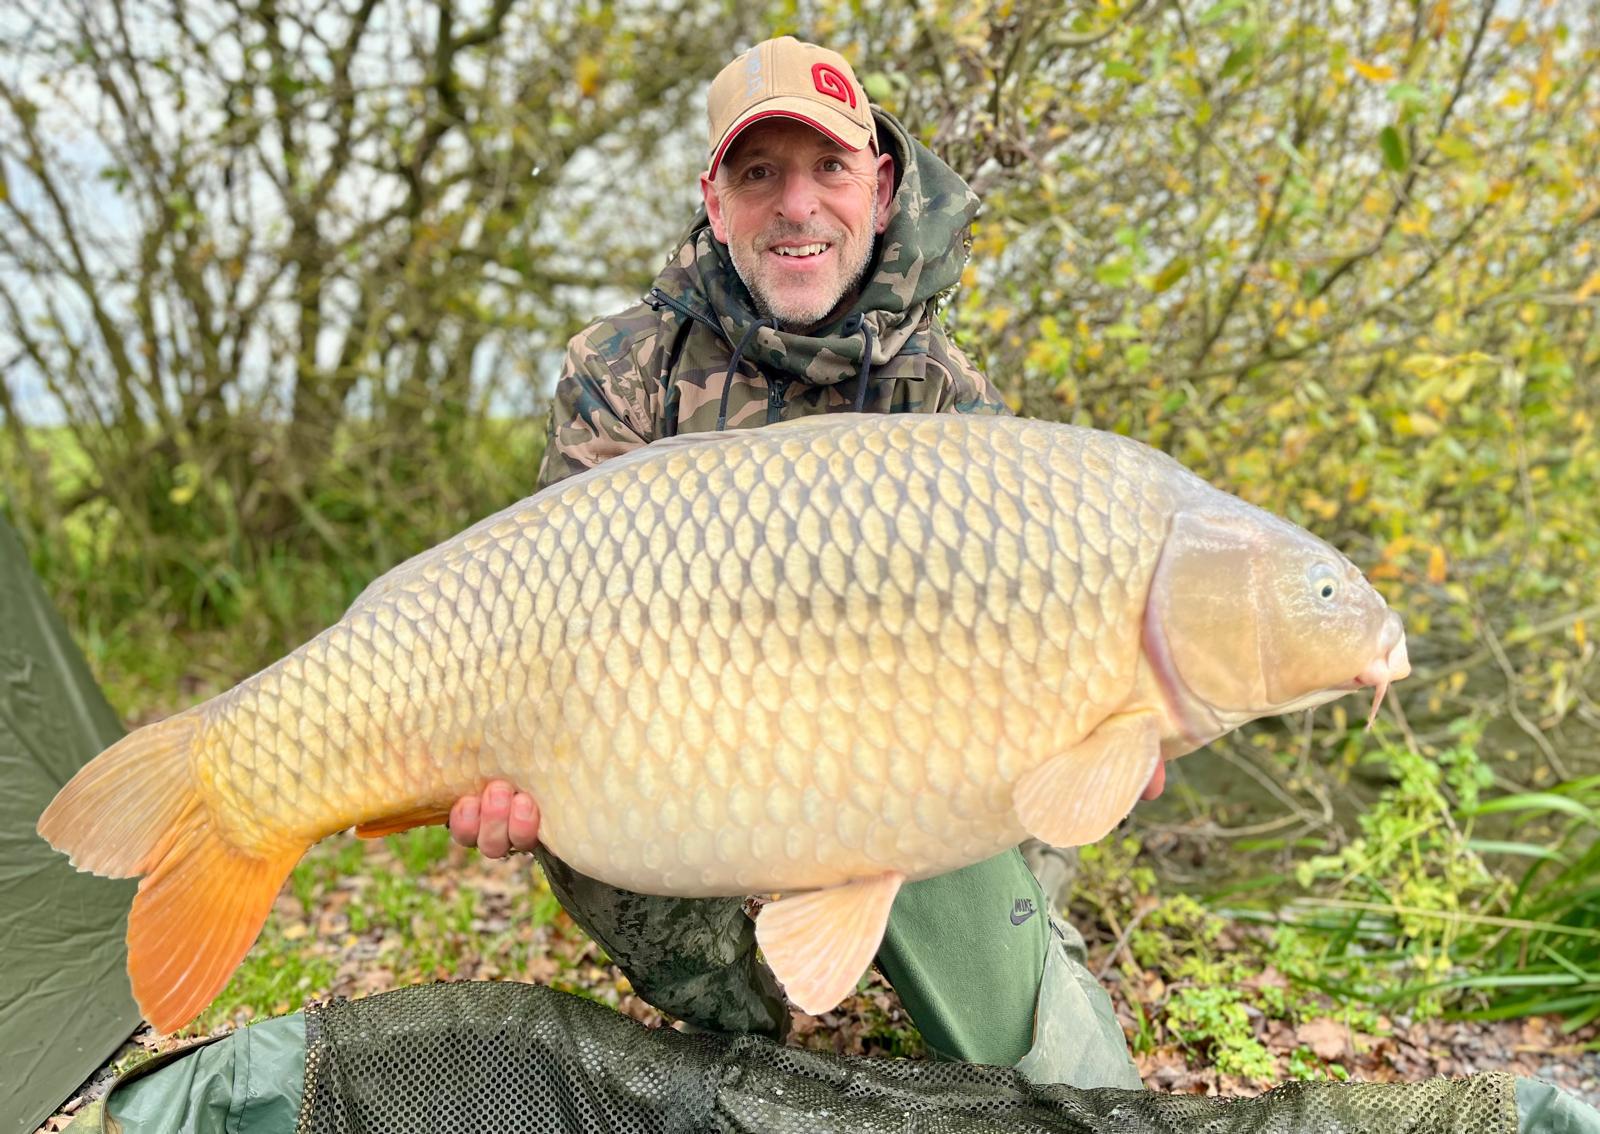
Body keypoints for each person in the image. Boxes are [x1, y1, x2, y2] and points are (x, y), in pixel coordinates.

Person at [446, 34, 1154, 1088]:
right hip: (687, 745)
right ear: (714, 197)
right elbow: (563, 614)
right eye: (759, 174)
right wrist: (500, 752)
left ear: (875, 187)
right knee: (571, 798)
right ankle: (749, 1034)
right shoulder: (622, 367)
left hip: (902, 740)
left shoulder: (941, 391)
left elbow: (1015, 634)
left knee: (998, 763)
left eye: (826, 168)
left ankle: (1000, 986)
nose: (796, 206)